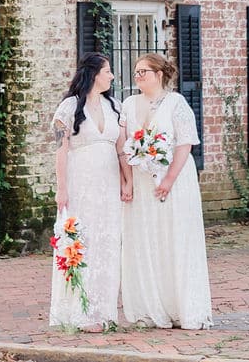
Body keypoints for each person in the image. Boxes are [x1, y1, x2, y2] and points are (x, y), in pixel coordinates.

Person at [119, 52, 212, 329]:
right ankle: (151, 307)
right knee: (145, 240)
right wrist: (128, 180)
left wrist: (169, 180)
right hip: (142, 180)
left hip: (172, 182)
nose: (138, 77)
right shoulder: (128, 104)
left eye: (143, 72)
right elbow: (122, 144)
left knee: (173, 238)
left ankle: (182, 307)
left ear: (159, 75)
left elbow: (185, 144)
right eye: (135, 72)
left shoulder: (176, 103)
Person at [49, 52, 133, 331]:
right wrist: (62, 189)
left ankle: (102, 311)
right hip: (79, 182)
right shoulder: (69, 107)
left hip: (108, 184)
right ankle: (79, 312)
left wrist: (127, 181)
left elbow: (121, 149)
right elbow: (61, 151)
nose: (111, 76)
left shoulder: (115, 107)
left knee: (106, 243)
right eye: (107, 71)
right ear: (94, 73)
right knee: (79, 242)